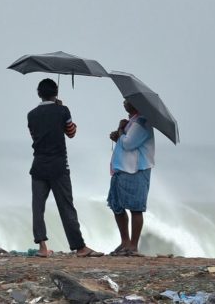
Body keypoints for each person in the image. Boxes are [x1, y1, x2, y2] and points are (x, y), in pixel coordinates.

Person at [27, 78, 103, 258]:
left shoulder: (31, 115)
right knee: (66, 206)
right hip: (59, 165)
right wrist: (61, 110)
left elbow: (34, 136)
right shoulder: (62, 110)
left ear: (39, 93)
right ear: (56, 93)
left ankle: (42, 247)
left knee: (38, 207)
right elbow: (71, 133)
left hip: (38, 165)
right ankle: (79, 247)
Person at [107, 100, 155, 256]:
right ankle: (125, 241)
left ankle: (133, 245)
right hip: (122, 168)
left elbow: (128, 144)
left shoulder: (142, 122)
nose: (124, 102)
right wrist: (119, 133)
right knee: (117, 205)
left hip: (135, 169)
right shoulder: (133, 121)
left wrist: (121, 130)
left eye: (128, 101)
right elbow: (125, 141)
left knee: (135, 207)